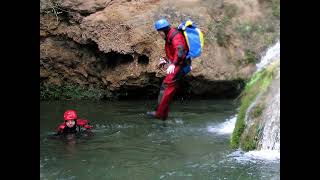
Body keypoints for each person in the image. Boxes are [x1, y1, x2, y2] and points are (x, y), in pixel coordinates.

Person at [147, 18, 190, 120]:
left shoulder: (176, 36)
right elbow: (173, 53)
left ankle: (159, 113)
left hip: (180, 65)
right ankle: (162, 113)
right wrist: (166, 60)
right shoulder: (170, 37)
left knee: (166, 87)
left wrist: (173, 64)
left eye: (159, 32)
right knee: (166, 87)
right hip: (178, 64)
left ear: (163, 31)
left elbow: (180, 51)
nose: (159, 35)